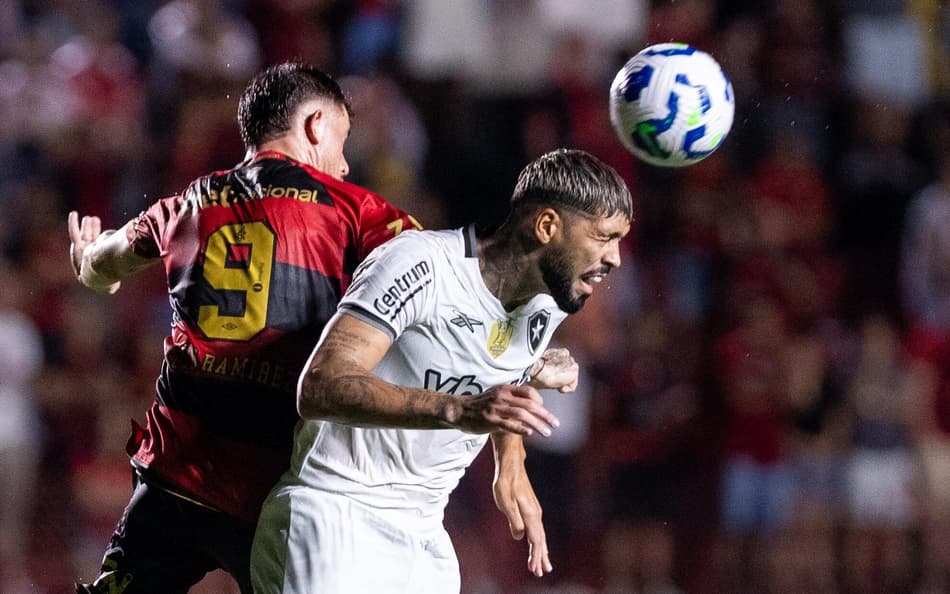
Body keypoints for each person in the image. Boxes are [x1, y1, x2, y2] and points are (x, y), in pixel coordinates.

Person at [68, 62, 550, 594]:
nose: (344, 164)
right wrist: (513, 450)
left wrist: (89, 257)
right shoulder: (364, 215)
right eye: (342, 140)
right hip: (273, 496)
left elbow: (99, 262)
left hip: (173, 480)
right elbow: (473, 313)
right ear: (316, 125)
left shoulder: (185, 203)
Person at [251, 147, 634, 593]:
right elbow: (321, 385)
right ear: (548, 226)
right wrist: (460, 411)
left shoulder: (547, 302)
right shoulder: (422, 266)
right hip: (335, 510)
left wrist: (511, 459)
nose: (616, 258)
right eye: (605, 237)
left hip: (423, 533)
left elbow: (493, 371)